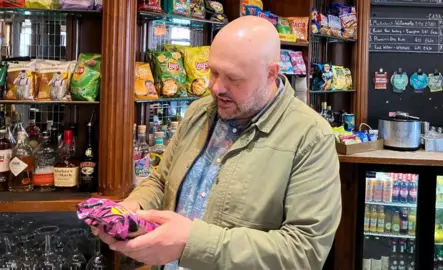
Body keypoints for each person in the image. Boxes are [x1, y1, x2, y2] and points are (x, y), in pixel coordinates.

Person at [97, 16, 341, 270]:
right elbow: (161, 180)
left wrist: (192, 242)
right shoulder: (199, 111)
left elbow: (305, 251)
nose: (216, 88)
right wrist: (132, 209)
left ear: (271, 73)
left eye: (233, 78)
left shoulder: (311, 137)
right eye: (213, 72)